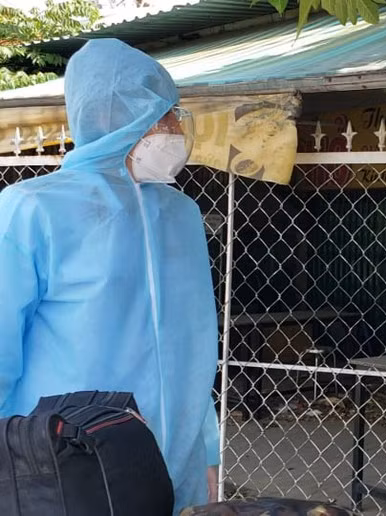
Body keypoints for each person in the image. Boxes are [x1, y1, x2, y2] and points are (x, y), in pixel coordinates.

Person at [0, 39, 220, 513]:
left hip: (173, 461)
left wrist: (208, 449)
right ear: (115, 119)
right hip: (63, 465)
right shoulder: (34, 208)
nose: (175, 129)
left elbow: (194, 348)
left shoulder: (181, 215)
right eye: (165, 114)